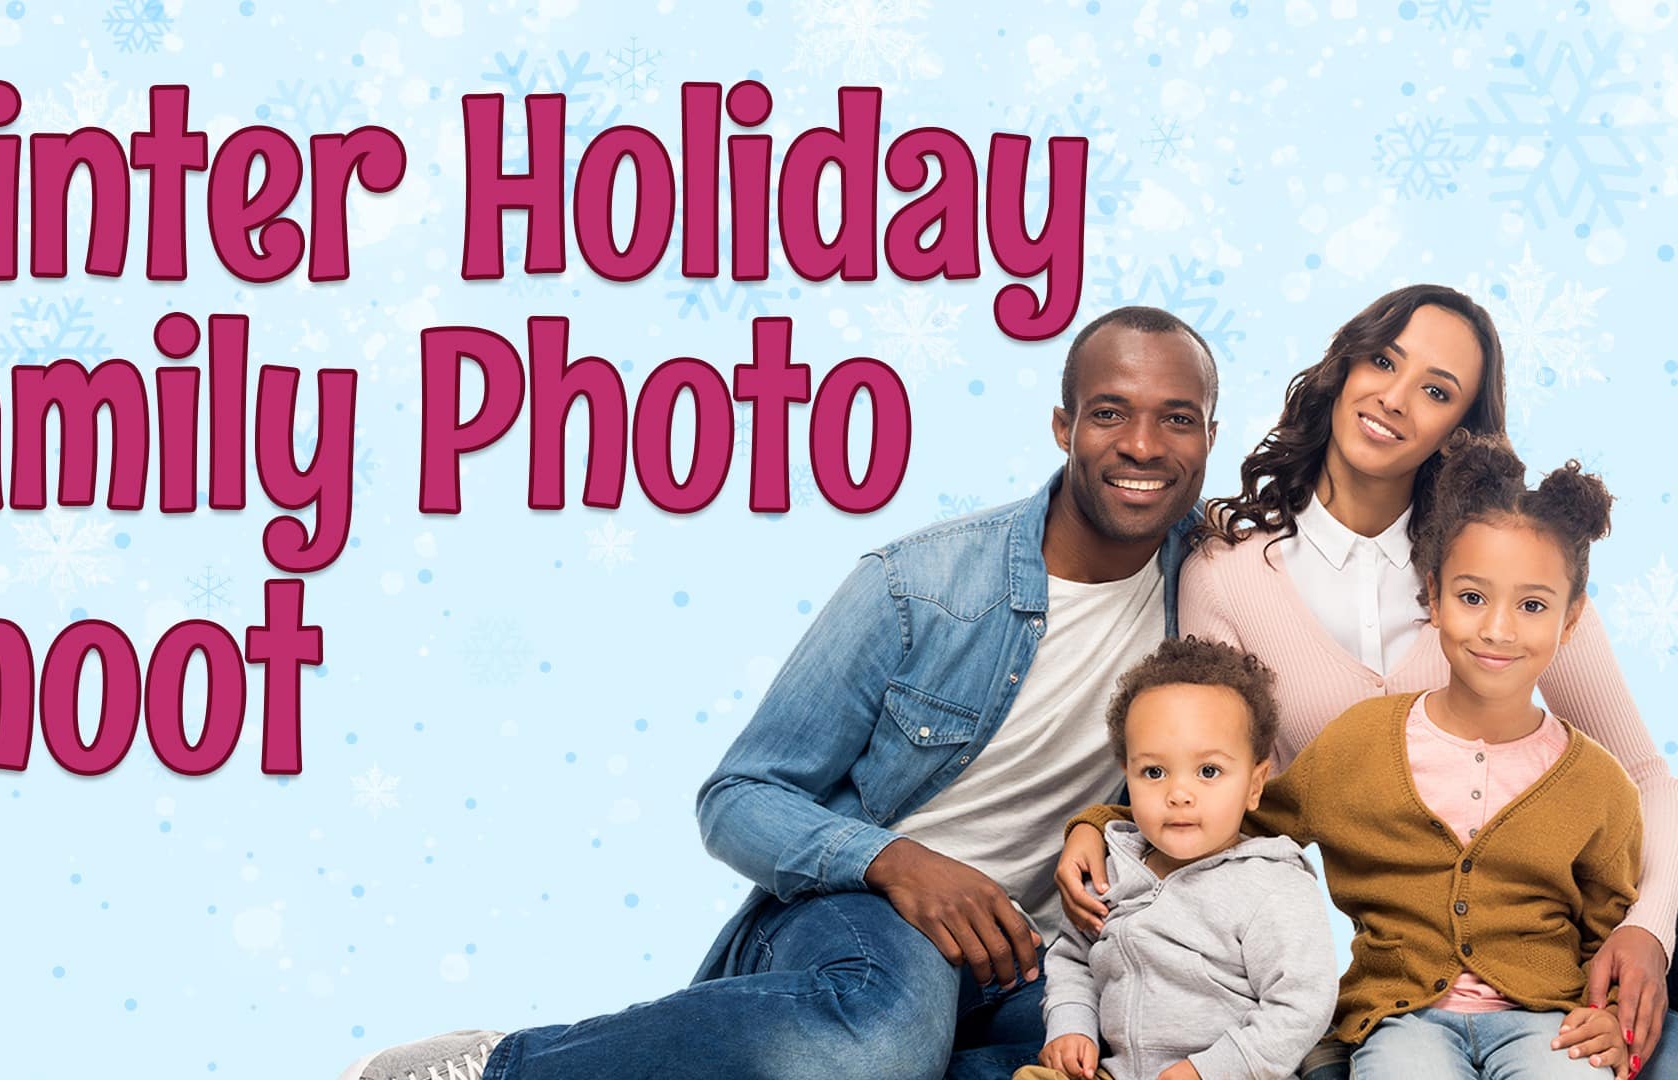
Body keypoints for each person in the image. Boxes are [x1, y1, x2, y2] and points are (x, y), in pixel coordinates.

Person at [340, 305, 1221, 1080]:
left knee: (1153, 1055)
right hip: (867, 919)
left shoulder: (1214, 581)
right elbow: (737, 797)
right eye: (1111, 413)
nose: (1143, 446)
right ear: (1063, 424)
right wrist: (899, 863)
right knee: (879, 1044)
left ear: (1209, 439)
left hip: (1034, 960)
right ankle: (498, 1068)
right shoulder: (921, 587)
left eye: (1176, 419)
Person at [1053, 284, 1678, 1076]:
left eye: (1437, 389)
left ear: (1461, 427)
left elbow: (1645, 773)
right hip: (1379, 985)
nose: (1395, 397)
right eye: (1383, 360)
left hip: (1542, 975)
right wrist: (1099, 823)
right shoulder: (1229, 572)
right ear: (1343, 367)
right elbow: (1221, 774)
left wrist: (1648, 931)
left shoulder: (1503, 570)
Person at [1024, 636, 1337, 1080]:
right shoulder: (1114, 871)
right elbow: (1073, 958)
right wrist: (1071, 1026)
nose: (1179, 794)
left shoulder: (1272, 887)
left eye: (1209, 771)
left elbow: (1303, 1004)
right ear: (1127, 776)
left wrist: (1209, 1070)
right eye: (1154, 772)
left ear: (1254, 784)